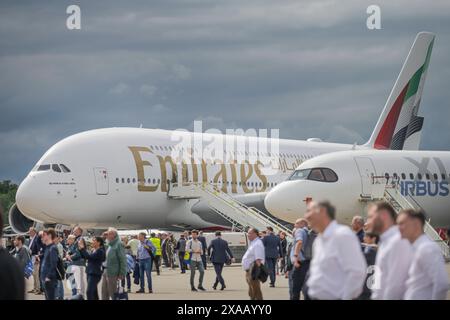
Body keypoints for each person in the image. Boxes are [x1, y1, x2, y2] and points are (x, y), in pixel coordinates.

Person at [305, 201, 367, 300]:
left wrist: (346, 297)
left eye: (309, 211)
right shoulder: (318, 240)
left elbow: (357, 273)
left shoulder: (342, 235)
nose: (306, 216)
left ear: (323, 211)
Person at [397, 209, 449, 300]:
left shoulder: (427, 248)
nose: (398, 228)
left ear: (416, 224)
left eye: (402, 223)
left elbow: (442, 284)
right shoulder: (415, 247)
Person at [366, 201, 413, 300]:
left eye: (370, 217)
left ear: (383, 216)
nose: (367, 222)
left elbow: (396, 287)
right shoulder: (385, 242)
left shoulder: (398, 241)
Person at [0, 207, 25, 300]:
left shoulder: (23, 250)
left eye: (15, 239)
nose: (14, 241)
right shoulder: (12, 265)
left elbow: (25, 260)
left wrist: (24, 270)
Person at [102, 228, 127, 300]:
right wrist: (103, 237)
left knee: (113, 293)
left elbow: (123, 260)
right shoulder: (110, 244)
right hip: (106, 271)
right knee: (104, 292)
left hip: (113, 272)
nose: (107, 235)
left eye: (109, 234)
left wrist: (122, 273)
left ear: (114, 235)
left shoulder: (119, 244)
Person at [242, 228, 265, 300]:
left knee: (256, 291)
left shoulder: (257, 244)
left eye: (249, 233)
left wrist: (256, 274)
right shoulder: (254, 242)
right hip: (249, 270)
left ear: (255, 234)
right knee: (252, 292)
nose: (248, 235)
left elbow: (258, 259)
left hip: (253, 271)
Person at [289, 218, 309, 300]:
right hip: (307, 263)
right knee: (306, 289)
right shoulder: (308, 232)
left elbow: (299, 242)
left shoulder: (299, 231)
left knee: (295, 289)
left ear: (302, 224)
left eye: (296, 223)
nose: (294, 225)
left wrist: (295, 256)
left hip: (299, 263)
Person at [66, 226, 86, 298]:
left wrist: (70, 256)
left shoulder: (80, 239)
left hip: (79, 264)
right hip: (76, 264)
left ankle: (81, 297)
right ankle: (78, 297)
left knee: (79, 284)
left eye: (75, 231)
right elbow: (72, 250)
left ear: (79, 232)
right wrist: (68, 253)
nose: (73, 232)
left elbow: (78, 253)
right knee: (76, 283)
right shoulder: (77, 239)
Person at [358, 232, 379, 300]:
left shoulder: (371, 251)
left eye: (366, 237)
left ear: (373, 239)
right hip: (368, 286)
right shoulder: (370, 248)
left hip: (366, 287)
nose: (363, 239)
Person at [40, 228, 59, 300]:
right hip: (45, 278)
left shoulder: (52, 248)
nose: (42, 237)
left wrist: (48, 277)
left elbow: (53, 264)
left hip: (49, 280)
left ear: (49, 236)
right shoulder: (47, 248)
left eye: (44, 235)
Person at [28, 227, 43, 295]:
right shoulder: (31, 239)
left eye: (30, 231)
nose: (29, 232)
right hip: (32, 257)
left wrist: (37, 258)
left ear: (34, 232)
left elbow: (39, 248)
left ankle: (38, 289)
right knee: (34, 274)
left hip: (36, 257)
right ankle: (35, 288)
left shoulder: (37, 238)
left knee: (36, 274)